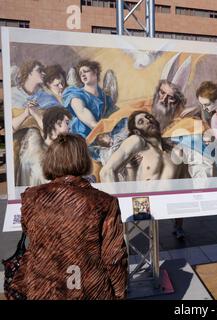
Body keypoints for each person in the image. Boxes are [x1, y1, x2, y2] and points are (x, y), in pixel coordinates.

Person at [9, 134, 128, 299]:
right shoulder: (104, 202)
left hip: (42, 286)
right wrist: (119, 292)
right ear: (83, 159)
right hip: (89, 289)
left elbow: (30, 233)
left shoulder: (31, 197)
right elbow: (114, 256)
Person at [15, 107, 72, 187]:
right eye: (67, 123)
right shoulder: (34, 142)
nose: (69, 127)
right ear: (58, 123)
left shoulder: (61, 144)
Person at [62, 60, 115, 138]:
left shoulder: (104, 96)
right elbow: (82, 111)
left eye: (85, 71)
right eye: (80, 74)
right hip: (82, 136)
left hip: (102, 133)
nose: (83, 75)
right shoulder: (76, 94)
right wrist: (98, 129)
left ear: (95, 71)